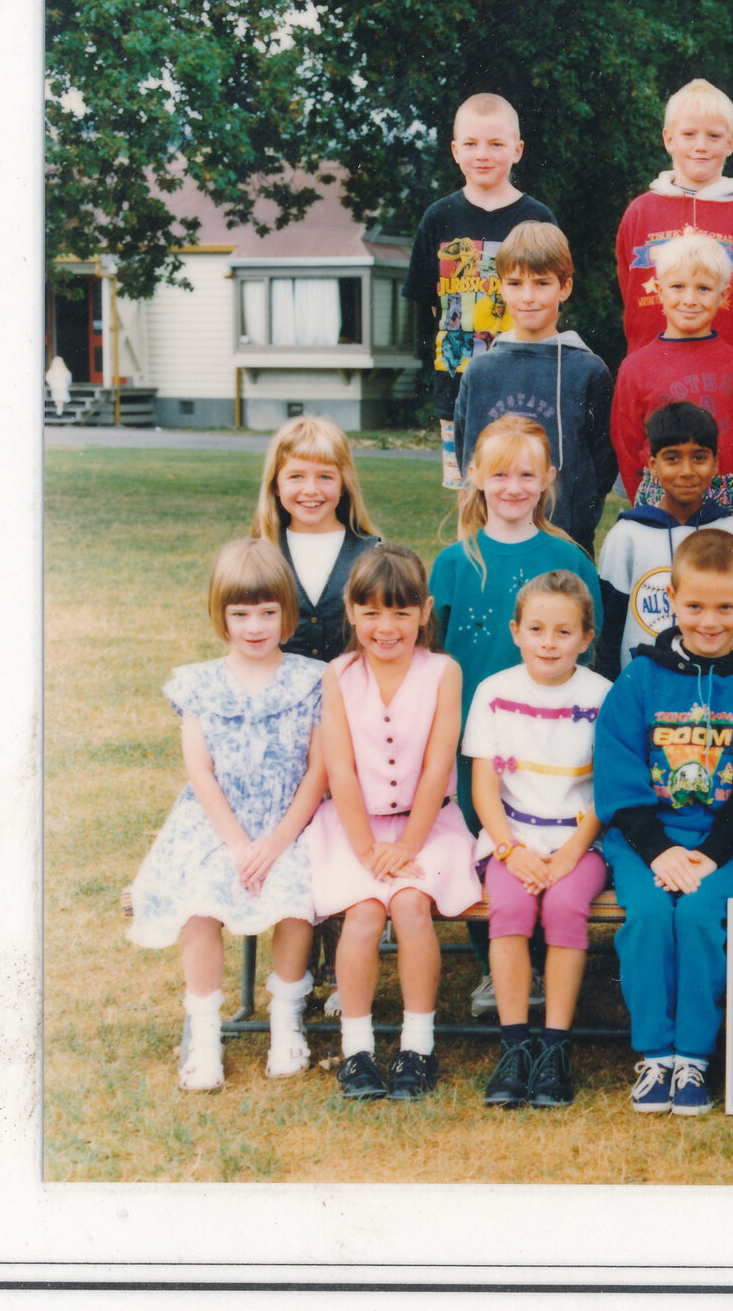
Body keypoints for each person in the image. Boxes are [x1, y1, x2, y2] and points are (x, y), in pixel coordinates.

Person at [593, 530, 733, 1114]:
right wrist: (658, 850)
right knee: (653, 916)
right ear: (672, 600)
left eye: (726, 607)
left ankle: (694, 1059)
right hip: (649, 841)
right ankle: (655, 1055)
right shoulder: (639, 677)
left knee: (705, 916)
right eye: (695, 606)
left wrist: (711, 853)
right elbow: (617, 769)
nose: (710, 621)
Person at [126, 538, 327, 1090]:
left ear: (287, 614)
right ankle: (206, 1029)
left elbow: (318, 772)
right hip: (219, 824)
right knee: (201, 900)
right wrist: (240, 845)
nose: (255, 626)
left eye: (268, 612)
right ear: (222, 616)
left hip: (291, 823)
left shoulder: (312, 680)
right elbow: (201, 775)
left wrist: (279, 840)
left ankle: (286, 1017)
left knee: (295, 893)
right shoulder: (199, 684)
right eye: (241, 613)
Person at [429, 415, 604, 1017]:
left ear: (549, 477)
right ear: (473, 475)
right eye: (498, 473)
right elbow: (432, 649)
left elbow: (592, 643)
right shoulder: (454, 561)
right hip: (476, 733)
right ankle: (494, 966)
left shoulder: (568, 558)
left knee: (545, 819)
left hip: (554, 737)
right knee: (489, 832)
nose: (511, 486)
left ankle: (547, 952)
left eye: (527, 473)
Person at [306, 543, 481, 1101]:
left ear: (425, 611)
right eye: (373, 612)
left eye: (402, 612)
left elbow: (436, 766)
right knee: (360, 914)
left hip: (427, 827)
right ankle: (357, 1051)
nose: (387, 627)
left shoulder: (443, 672)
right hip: (353, 827)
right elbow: (341, 767)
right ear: (352, 612)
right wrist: (365, 849)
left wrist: (407, 844)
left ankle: (416, 1047)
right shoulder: (337, 674)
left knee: (409, 905)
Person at [462, 571, 610, 1109]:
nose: (549, 642)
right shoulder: (494, 693)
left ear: (586, 638)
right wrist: (509, 849)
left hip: (580, 843)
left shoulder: (602, 695)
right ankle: (514, 1044)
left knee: (567, 908)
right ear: (516, 631)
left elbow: (605, 791)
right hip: (513, 838)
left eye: (564, 632)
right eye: (538, 629)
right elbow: (484, 789)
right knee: (509, 907)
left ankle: (555, 1046)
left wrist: (572, 852)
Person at [403, 93, 557, 488]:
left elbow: (549, 299)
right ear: (455, 150)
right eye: (470, 144)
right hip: (456, 382)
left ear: (517, 150)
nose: (482, 154)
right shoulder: (438, 217)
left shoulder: (537, 218)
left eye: (495, 144)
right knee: (470, 492)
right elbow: (429, 304)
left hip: (523, 379)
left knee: (522, 485)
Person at [454, 222, 616, 557]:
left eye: (542, 283)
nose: (528, 297)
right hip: (494, 544)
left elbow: (602, 467)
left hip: (567, 543)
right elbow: (468, 456)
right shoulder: (481, 369)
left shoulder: (588, 369)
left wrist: (578, 518)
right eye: (515, 283)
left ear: (565, 287)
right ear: (500, 287)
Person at [609, 233, 733, 523]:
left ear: (724, 295)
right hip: (660, 493)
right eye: (678, 286)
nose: (689, 300)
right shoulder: (636, 367)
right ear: (658, 290)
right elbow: (627, 448)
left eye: (703, 288)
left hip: (726, 495)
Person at [615, 77, 733, 358]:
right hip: (652, 363)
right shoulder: (640, 211)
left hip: (727, 368)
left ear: (731, 143)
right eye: (689, 134)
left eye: (713, 136)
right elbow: (629, 287)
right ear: (669, 139)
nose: (701, 146)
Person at [596, 401, 733, 677]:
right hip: (641, 686)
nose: (687, 470)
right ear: (653, 465)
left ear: (716, 462)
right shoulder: (627, 536)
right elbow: (608, 629)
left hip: (714, 685)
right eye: (672, 458)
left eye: (699, 457)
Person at [248, 415, 382, 664]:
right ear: (275, 484)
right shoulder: (259, 554)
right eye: (296, 476)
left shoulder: (375, 554)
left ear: (344, 483)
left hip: (353, 696)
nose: (311, 489)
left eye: (325, 477)